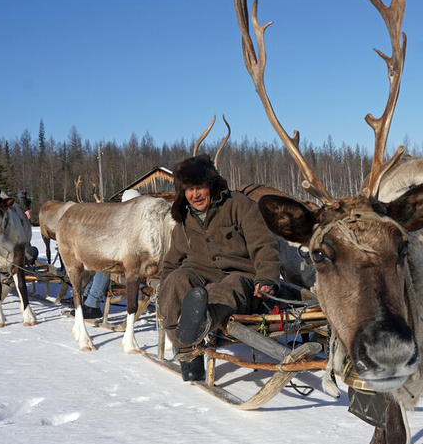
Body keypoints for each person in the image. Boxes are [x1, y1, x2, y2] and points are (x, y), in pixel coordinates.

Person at [157, 155, 281, 381]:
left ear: (211, 185)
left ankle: (201, 322)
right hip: (200, 275)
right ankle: (187, 353)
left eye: (200, 187)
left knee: (225, 288)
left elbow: (264, 244)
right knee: (176, 280)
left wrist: (266, 278)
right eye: (189, 189)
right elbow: (172, 261)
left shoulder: (239, 205)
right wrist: (164, 287)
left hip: (240, 276)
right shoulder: (184, 220)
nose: (195, 195)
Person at [61, 189, 143, 319]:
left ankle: (93, 304)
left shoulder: (140, 224)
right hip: (122, 260)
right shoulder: (127, 221)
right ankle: (84, 297)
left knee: (104, 267)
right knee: (95, 261)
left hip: (130, 266)